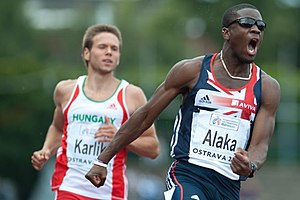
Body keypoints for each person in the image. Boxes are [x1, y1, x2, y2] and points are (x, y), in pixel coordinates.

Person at [85, 3, 281, 200]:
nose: (255, 29)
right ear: (226, 33)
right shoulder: (192, 71)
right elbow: (145, 115)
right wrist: (103, 159)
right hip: (188, 175)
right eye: (247, 23)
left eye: (260, 26)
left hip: (228, 186)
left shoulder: (267, 87)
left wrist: (251, 165)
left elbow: (260, 145)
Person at [31, 24, 160, 200]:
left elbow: (153, 148)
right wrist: (46, 150)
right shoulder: (66, 90)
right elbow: (58, 128)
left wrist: (121, 138)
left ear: (119, 57)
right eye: (102, 47)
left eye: (114, 49)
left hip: (110, 191)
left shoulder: (132, 95)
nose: (109, 52)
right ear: (86, 53)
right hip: (69, 186)